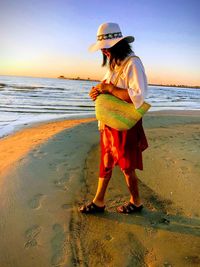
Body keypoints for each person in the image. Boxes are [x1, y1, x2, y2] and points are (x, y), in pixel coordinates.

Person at [80, 22, 148, 214]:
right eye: (103, 49)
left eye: (108, 48)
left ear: (119, 44)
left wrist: (108, 89)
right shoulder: (113, 64)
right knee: (106, 161)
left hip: (125, 122)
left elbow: (137, 96)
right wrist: (97, 92)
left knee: (126, 165)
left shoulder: (133, 63)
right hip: (110, 121)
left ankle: (136, 201)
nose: (105, 52)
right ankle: (99, 201)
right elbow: (106, 87)